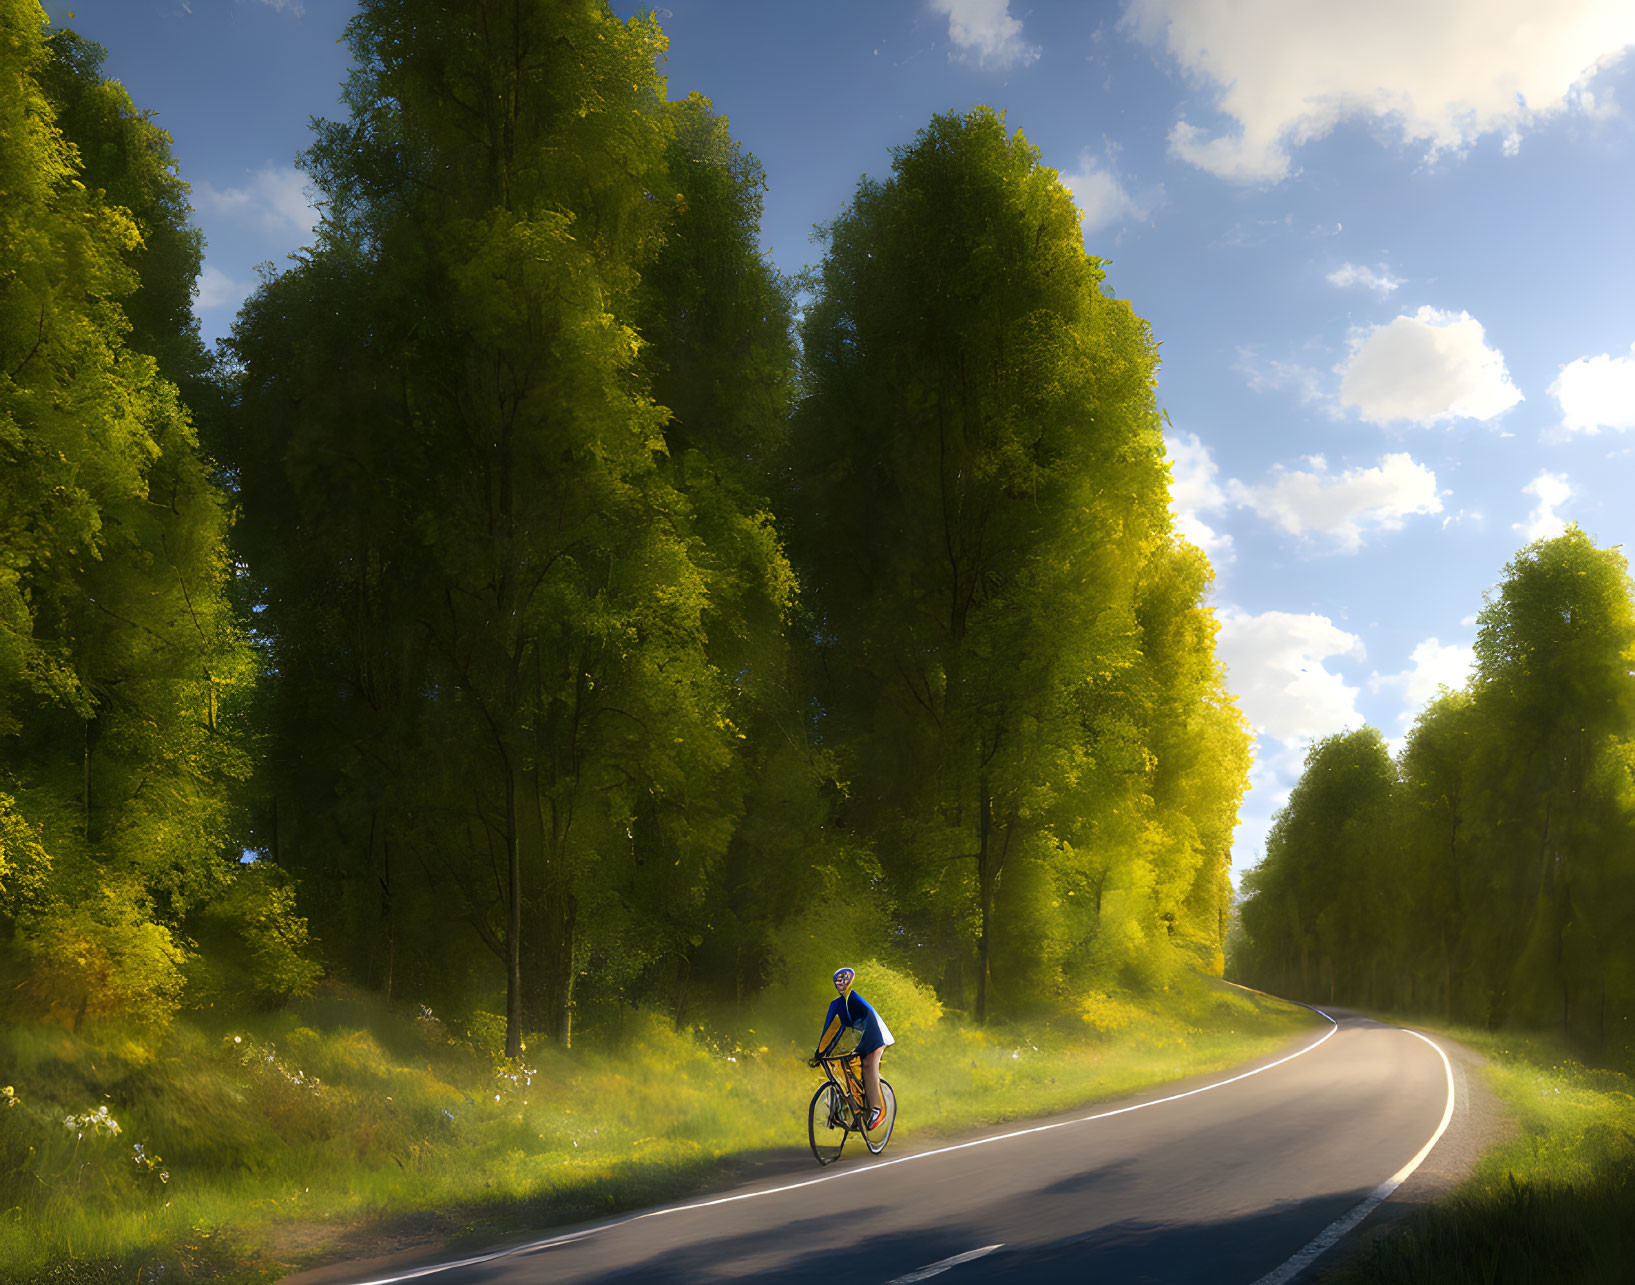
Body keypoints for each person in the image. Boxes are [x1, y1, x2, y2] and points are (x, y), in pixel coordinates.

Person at [811, 965, 894, 1130]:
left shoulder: (854, 999)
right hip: (862, 1035)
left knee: (869, 1063)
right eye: (838, 981)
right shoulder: (838, 1004)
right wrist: (820, 1053)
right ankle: (845, 1109)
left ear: (851, 980)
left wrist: (861, 1049)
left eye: (844, 979)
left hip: (877, 1034)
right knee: (843, 1069)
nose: (840, 983)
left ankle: (877, 1109)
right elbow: (831, 1029)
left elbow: (872, 1023)